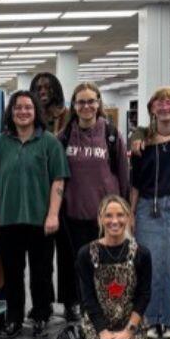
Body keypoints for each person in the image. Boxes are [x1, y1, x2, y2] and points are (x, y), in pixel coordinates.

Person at [0, 89, 69, 339]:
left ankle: (41, 317)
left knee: (42, 273)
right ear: (11, 112)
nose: (23, 112)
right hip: (7, 219)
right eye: (18, 107)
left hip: (41, 220)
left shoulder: (49, 143)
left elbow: (58, 180)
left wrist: (53, 214)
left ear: (36, 112)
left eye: (28, 107)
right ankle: (14, 319)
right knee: (12, 273)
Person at [56, 82, 131, 322]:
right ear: (74, 106)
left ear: (98, 104)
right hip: (72, 211)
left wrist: (125, 211)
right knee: (72, 262)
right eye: (81, 102)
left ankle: (104, 305)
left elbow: (123, 172)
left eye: (91, 101)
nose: (86, 106)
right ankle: (71, 304)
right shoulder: (64, 136)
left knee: (105, 262)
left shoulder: (110, 134)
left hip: (105, 215)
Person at [130, 86, 170, 339]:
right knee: (151, 265)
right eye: (159, 103)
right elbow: (135, 181)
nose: (165, 107)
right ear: (152, 110)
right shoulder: (141, 142)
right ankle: (150, 319)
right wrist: (132, 213)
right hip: (148, 207)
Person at [76, 195, 153, 339]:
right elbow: (87, 298)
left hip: (129, 323)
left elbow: (143, 295)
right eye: (108, 215)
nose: (114, 221)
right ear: (100, 219)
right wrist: (104, 334)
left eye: (120, 215)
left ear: (128, 218)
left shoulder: (142, 254)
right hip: (98, 324)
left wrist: (128, 333)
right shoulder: (86, 253)